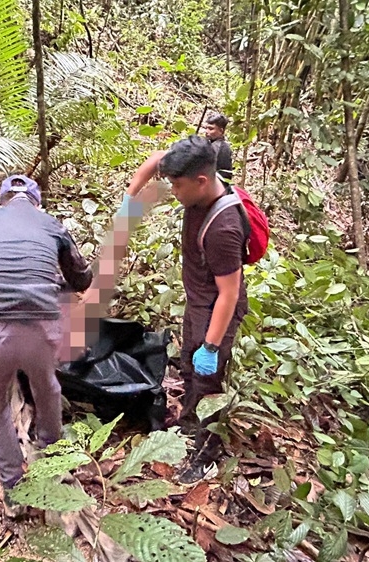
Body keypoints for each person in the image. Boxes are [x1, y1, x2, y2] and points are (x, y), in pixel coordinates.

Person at [121, 136, 250, 483]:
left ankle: (206, 455)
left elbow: (229, 293)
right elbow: (155, 158)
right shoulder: (194, 172)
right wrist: (129, 198)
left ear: (201, 182)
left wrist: (211, 346)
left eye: (177, 186)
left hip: (215, 309)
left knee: (207, 379)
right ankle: (187, 424)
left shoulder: (224, 228)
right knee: (189, 370)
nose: (173, 192)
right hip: (198, 302)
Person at [0, 174, 93, 517]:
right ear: (36, 202)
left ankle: (15, 490)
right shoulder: (53, 225)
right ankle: (55, 457)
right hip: (40, 327)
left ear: (2, 200)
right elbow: (82, 278)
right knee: (46, 386)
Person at [203, 113, 234, 188]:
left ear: (221, 131)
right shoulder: (210, 144)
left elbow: (223, 175)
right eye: (206, 128)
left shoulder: (221, 147)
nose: (207, 131)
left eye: (211, 129)